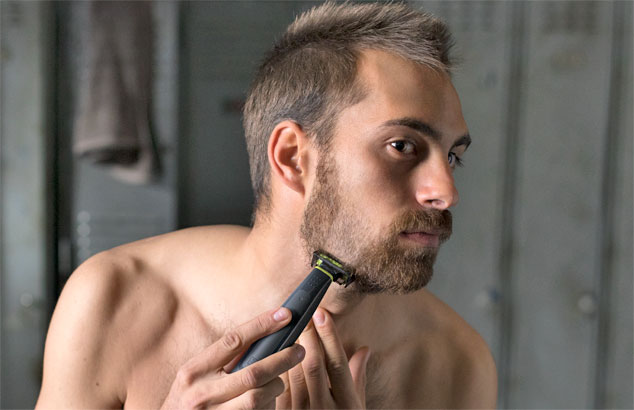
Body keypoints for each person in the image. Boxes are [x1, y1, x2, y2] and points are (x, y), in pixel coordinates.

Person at [36, 2, 497, 408]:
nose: (446, 191)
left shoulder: (455, 362)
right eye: (402, 146)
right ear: (294, 157)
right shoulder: (114, 301)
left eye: (453, 156)